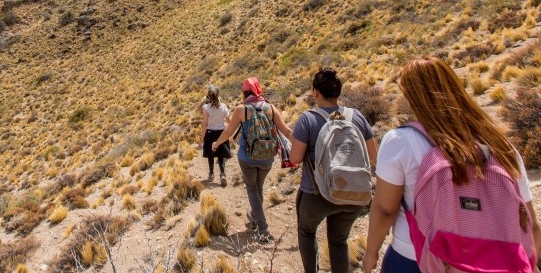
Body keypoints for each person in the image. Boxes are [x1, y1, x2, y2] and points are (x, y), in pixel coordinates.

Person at [363, 57, 541, 273]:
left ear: (413, 97)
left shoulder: (400, 141)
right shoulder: (499, 143)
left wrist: (371, 254)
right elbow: (529, 221)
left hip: (416, 259)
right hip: (496, 260)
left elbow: (385, 209)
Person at [289, 68, 378, 273]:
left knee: (307, 232)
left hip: (317, 194)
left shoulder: (308, 119)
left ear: (315, 92)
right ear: (338, 92)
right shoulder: (356, 117)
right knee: (339, 241)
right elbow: (373, 156)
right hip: (354, 194)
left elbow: (295, 159)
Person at [212, 76, 292, 242]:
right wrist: (303, 147)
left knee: (252, 189)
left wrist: (216, 144)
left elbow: (228, 133)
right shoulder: (270, 107)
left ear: (244, 92)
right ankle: (254, 216)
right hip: (267, 157)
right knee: (258, 187)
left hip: (247, 157)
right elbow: (287, 131)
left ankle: (262, 227)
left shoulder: (242, 109)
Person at [199, 85, 232, 186]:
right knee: (221, 155)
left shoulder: (206, 107)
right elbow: (229, 121)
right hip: (221, 133)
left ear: (208, 96)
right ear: (218, 95)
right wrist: (229, 134)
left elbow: (205, 124)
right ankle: (222, 174)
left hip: (210, 133)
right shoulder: (223, 106)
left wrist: (201, 138)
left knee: (210, 155)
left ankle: (211, 174)